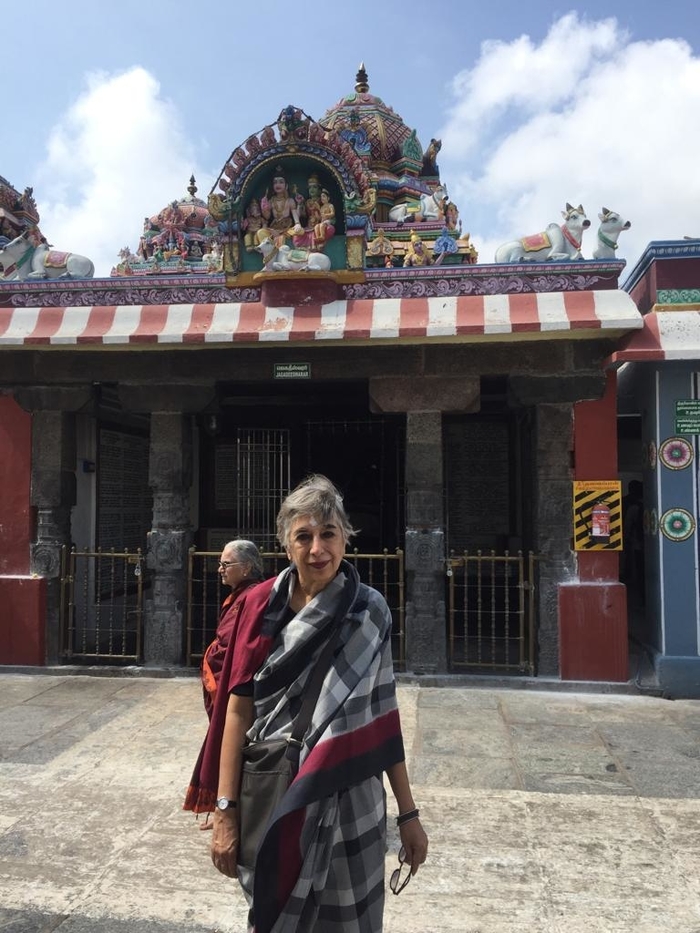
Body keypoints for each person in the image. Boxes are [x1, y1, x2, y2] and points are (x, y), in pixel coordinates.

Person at [208, 475, 428, 932]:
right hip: (276, 789)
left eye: (328, 534)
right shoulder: (256, 607)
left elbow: (382, 715)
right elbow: (237, 710)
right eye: (303, 536)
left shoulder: (370, 611)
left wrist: (408, 814)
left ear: (345, 537)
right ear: (285, 544)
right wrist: (225, 810)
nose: (317, 550)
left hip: (352, 796)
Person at [184, 539, 264, 826]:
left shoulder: (251, 598)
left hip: (241, 691)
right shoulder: (239, 597)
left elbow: (232, 644)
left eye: (226, 564)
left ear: (247, 567)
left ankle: (230, 811)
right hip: (231, 689)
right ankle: (223, 807)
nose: (220, 569)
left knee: (236, 747)